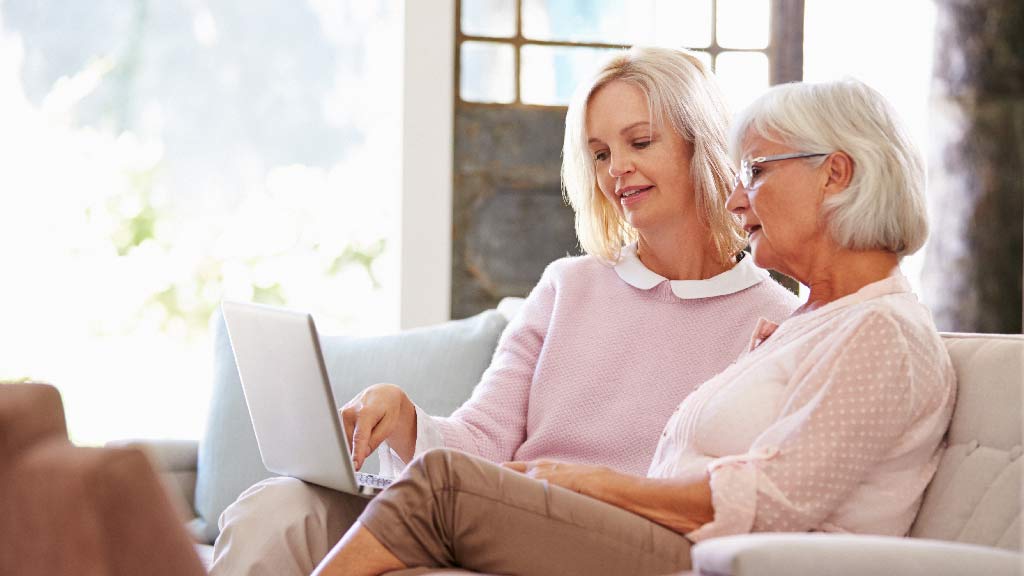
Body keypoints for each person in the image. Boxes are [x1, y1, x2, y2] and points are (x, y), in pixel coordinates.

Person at [312, 78, 958, 576]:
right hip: (688, 548)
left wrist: (589, 482)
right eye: (597, 152)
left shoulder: (884, 332)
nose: (736, 199)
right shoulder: (815, 322)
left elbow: (772, 499)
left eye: (756, 172)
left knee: (443, 485)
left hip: (731, 564)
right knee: (411, 516)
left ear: (835, 174)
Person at [209, 46, 798, 575]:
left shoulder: (777, 322)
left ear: (703, 144)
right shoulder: (568, 287)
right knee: (277, 508)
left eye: (639, 142)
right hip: (483, 511)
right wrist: (409, 421)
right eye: (598, 153)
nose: (615, 168)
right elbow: (483, 439)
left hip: (602, 541)